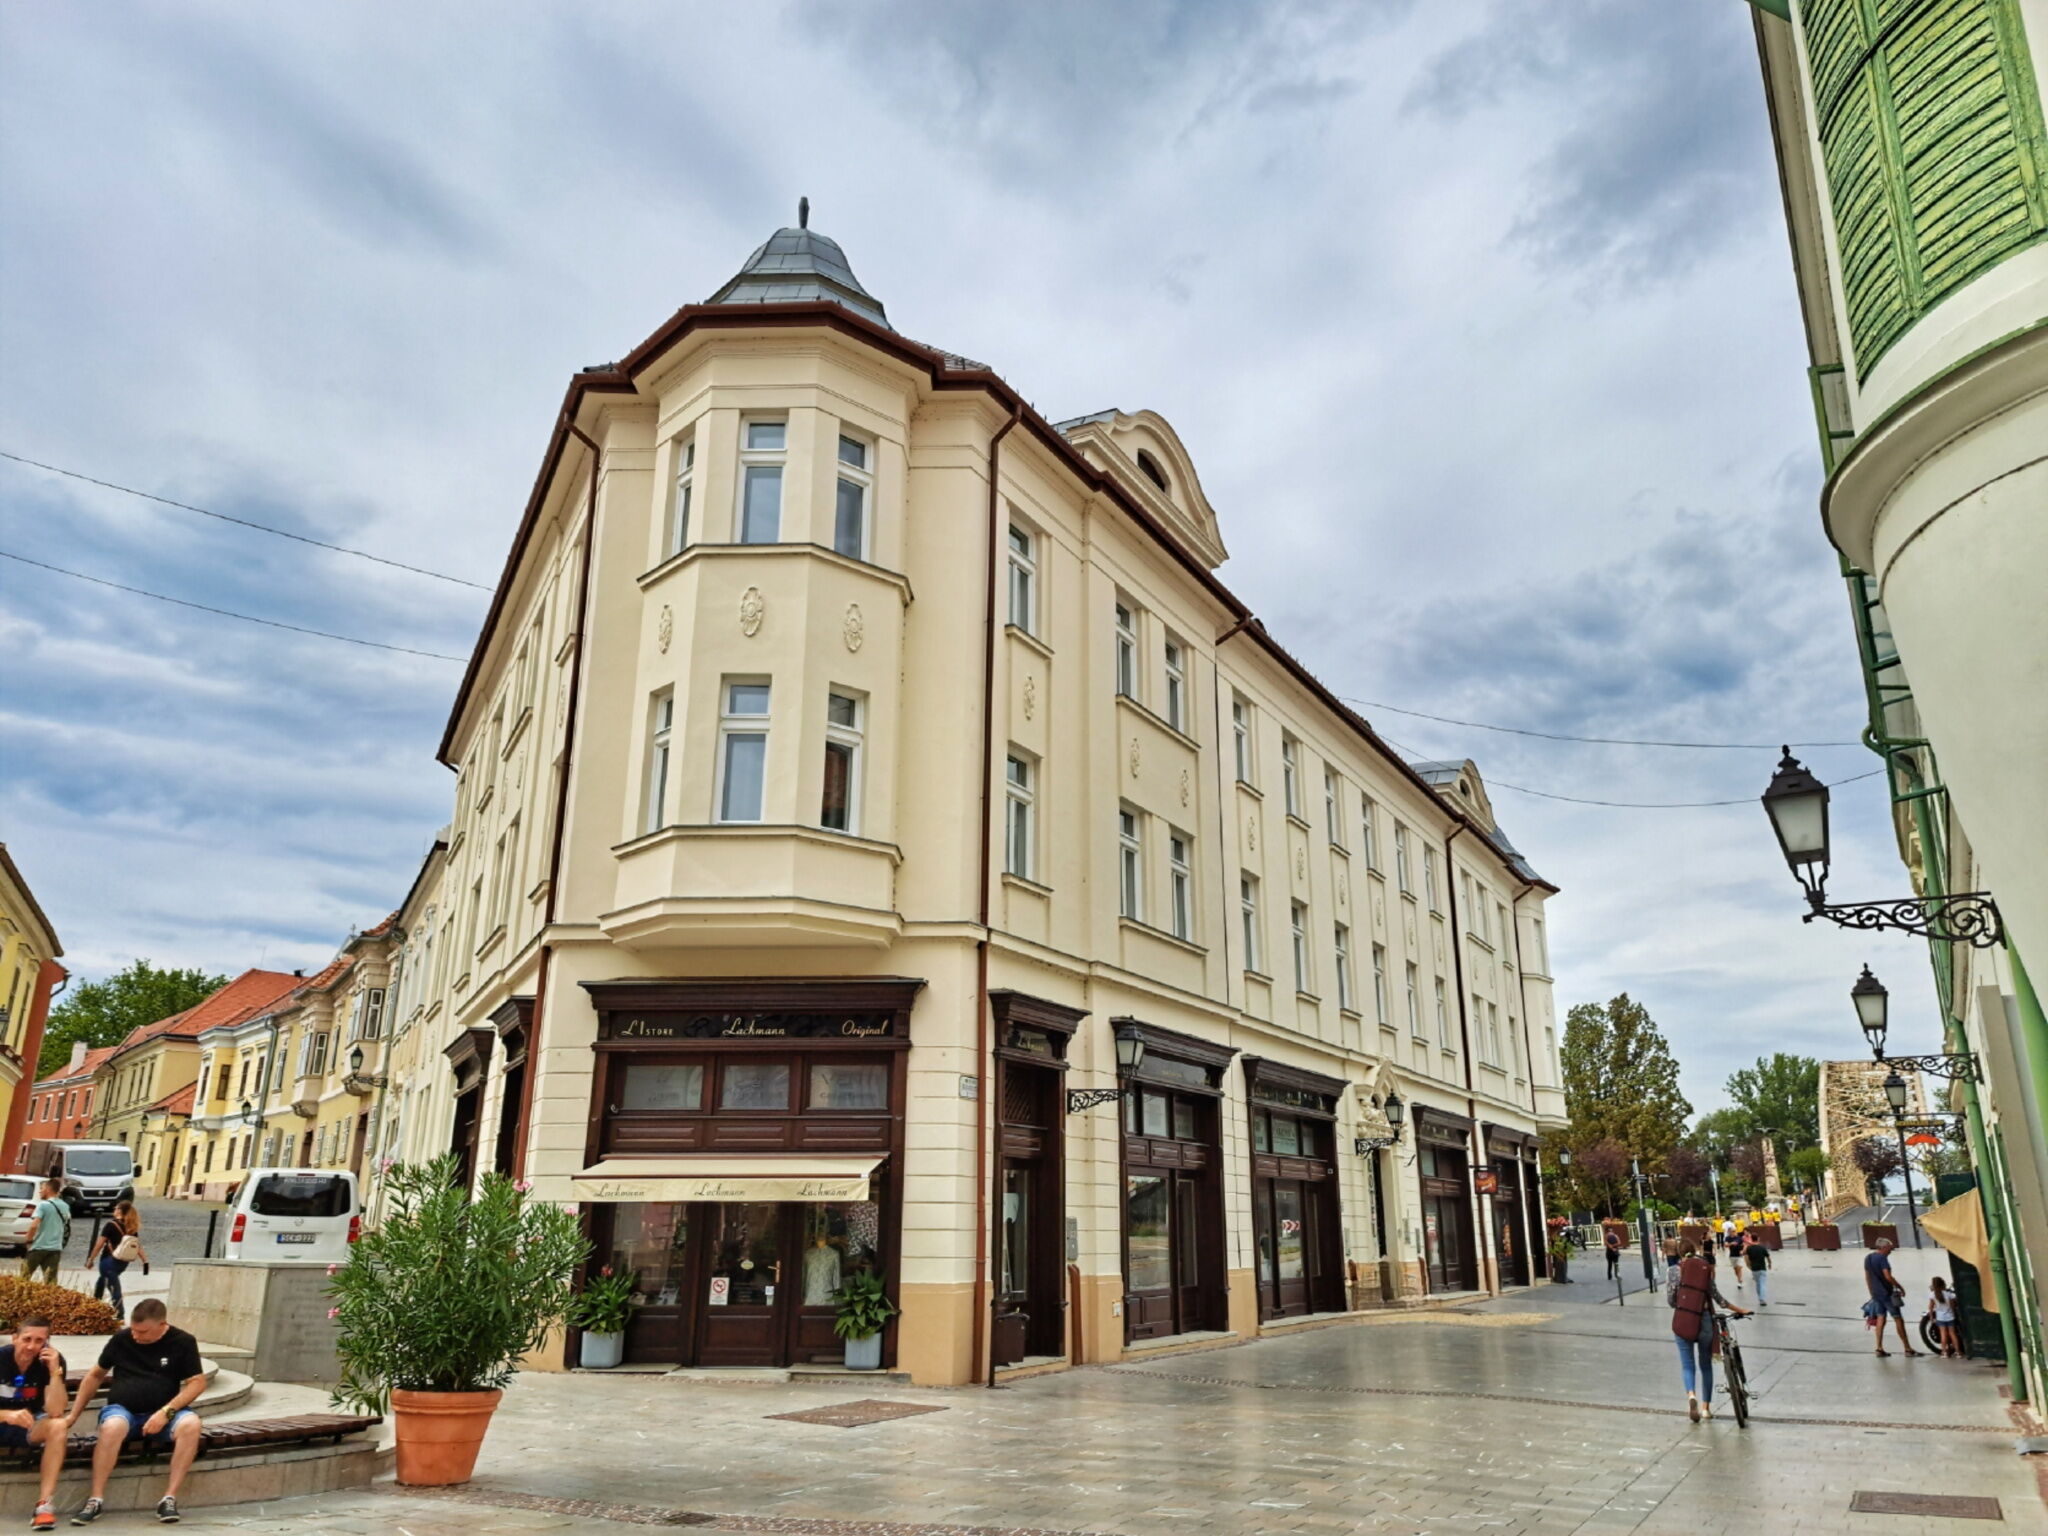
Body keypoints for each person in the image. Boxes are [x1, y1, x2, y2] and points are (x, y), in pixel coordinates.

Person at [62, 1298, 206, 1524]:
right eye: (133, 1329)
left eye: (143, 1331)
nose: (136, 1336)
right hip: (123, 1410)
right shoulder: (122, 1339)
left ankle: (169, 1498)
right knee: (112, 1426)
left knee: (191, 1425)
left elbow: (197, 1382)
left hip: (164, 1413)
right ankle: (96, 1498)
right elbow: (95, 1375)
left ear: (162, 1325)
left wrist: (166, 1412)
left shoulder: (183, 1342)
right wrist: (73, 1414)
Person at [0, 1316, 71, 1531]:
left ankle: (44, 1505)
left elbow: (56, 1410)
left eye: (40, 1341)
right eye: (27, 1339)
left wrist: (54, 1372)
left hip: (28, 1424)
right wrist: (5, 1415)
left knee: (58, 1426)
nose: (32, 1346)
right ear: (14, 1338)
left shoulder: (51, 1363)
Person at [1668, 1242, 1750, 1421]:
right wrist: (1739, 1309)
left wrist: (1685, 1303)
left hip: (1683, 1320)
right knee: (1705, 1365)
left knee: (1687, 1364)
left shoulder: (1674, 1271)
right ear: (1695, 1251)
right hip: (1704, 1319)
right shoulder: (1705, 1269)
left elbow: (1671, 1300)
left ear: (1679, 1254)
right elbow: (1718, 1298)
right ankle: (1706, 1409)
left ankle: (1691, 1395)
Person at [85, 1202, 145, 1321]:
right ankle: (94, 1306)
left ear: (119, 1211)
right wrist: (145, 1260)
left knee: (113, 1287)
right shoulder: (131, 1227)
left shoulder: (110, 1225)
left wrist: (91, 1258)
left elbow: (100, 1243)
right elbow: (137, 1246)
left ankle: (120, 1313)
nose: (114, 1210)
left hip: (108, 1261)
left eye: (116, 1208)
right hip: (123, 1262)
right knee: (102, 1281)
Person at [1863, 1236, 1921, 1358]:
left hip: (1876, 1294)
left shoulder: (1868, 1258)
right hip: (1887, 1294)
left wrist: (1871, 1292)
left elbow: (1867, 1277)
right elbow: (1888, 1277)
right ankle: (1907, 1348)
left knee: (1880, 1318)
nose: (1891, 1251)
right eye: (1889, 1248)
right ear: (1883, 1247)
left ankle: (1879, 1347)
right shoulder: (1883, 1259)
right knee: (1898, 1318)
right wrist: (1900, 1287)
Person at [21, 1180, 70, 1286]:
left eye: (42, 1188)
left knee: (23, 1278)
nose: (40, 1191)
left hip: (39, 1247)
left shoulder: (43, 1205)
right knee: (51, 1281)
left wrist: (29, 1240)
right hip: (55, 1248)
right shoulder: (65, 1206)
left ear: (48, 1189)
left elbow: (34, 1225)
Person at [1928, 1277, 1961, 1358]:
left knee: (1943, 1335)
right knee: (1953, 1334)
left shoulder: (1932, 1295)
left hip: (1940, 1318)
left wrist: (1932, 1317)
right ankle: (1958, 1353)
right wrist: (1953, 1313)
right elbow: (1953, 1306)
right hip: (1950, 1317)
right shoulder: (1949, 1294)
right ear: (1943, 1284)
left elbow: (1931, 1307)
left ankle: (1944, 1353)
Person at [1745, 1229, 1771, 1306]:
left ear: (1751, 1239)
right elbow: (1768, 1257)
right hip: (1762, 1268)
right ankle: (1762, 1299)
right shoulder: (1762, 1248)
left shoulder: (1749, 1248)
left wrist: (1749, 1265)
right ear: (1758, 1238)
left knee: (1758, 1284)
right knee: (1762, 1283)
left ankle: (1760, 1298)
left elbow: (1747, 1258)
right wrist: (1770, 1264)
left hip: (1754, 1269)